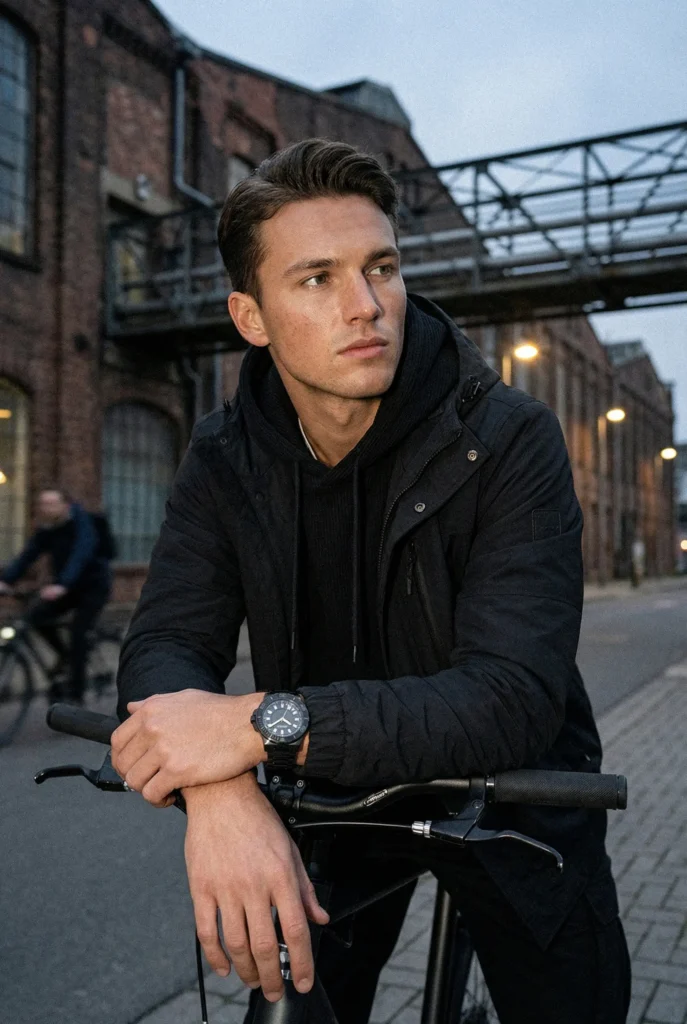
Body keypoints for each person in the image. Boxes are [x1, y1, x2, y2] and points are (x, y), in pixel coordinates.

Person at [112, 140, 630, 1024]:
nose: (366, 306)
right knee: (293, 1005)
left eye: (380, 268)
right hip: (335, 797)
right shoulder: (224, 454)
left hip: (511, 799)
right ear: (250, 316)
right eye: (316, 279)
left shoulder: (507, 437)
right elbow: (165, 641)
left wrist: (252, 727)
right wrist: (220, 791)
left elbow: (511, 698)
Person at [0, 488, 113, 703]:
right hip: (66, 587)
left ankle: (76, 693)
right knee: (36, 617)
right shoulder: (48, 529)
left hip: (93, 587)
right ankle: (66, 657)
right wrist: (6, 580)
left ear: (66, 505)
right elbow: (28, 555)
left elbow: (81, 553)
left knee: (78, 633)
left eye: (52, 503)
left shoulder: (83, 524)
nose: (46, 508)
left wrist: (62, 584)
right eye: (43, 504)